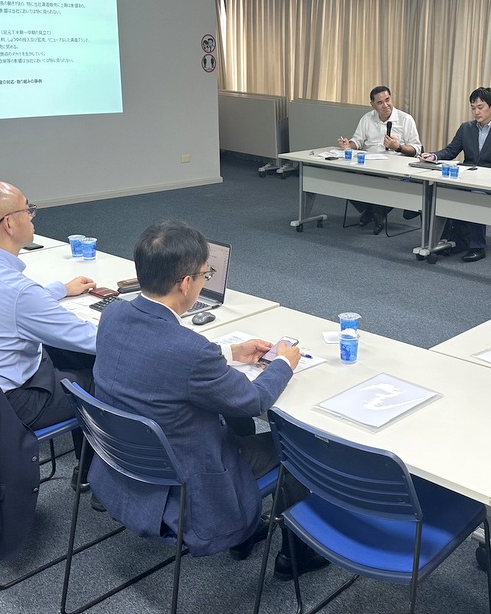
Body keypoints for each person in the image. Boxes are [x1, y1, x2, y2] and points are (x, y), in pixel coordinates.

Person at [88, 221, 326, 576]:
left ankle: (247, 534)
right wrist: (283, 364)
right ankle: (295, 557)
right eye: (205, 274)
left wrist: (230, 353)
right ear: (186, 283)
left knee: (231, 420)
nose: (204, 280)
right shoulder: (191, 351)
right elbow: (253, 401)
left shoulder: (114, 314)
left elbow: (159, 359)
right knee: (298, 448)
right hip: (189, 480)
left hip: (124, 464)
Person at [0, 181, 98, 464]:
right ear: (9, 224)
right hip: (11, 403)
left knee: (62, 354)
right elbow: (92, 339)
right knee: (99, 376)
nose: (32, 215)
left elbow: (7, 305)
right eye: (28, 209)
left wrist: (59, 289)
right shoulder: (20, 292)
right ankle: (90, 475)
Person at [421, 87, 491, 262]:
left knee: (476, 195)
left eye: (480, 107)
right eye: (473, 108)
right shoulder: (466, 128)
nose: (476, 112)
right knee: (440, 189)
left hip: (490, 182)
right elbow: (451, 150)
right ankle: (445, 239)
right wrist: (434, 156)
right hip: (466, 177)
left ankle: (477, 246)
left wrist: (484, 175)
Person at [337, 86, 422, 234]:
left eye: (387, 100)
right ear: (373, 105)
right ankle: (372, 210)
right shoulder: (367, 118)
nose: (385, 105)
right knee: (345, 176)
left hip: (395, 168)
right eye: (380, 103)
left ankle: (377, 212)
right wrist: (348, 145)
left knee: (379, 179)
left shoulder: (405, 119)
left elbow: (417, 149)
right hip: (370, 164)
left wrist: (398, 147)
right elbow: (357, 140)